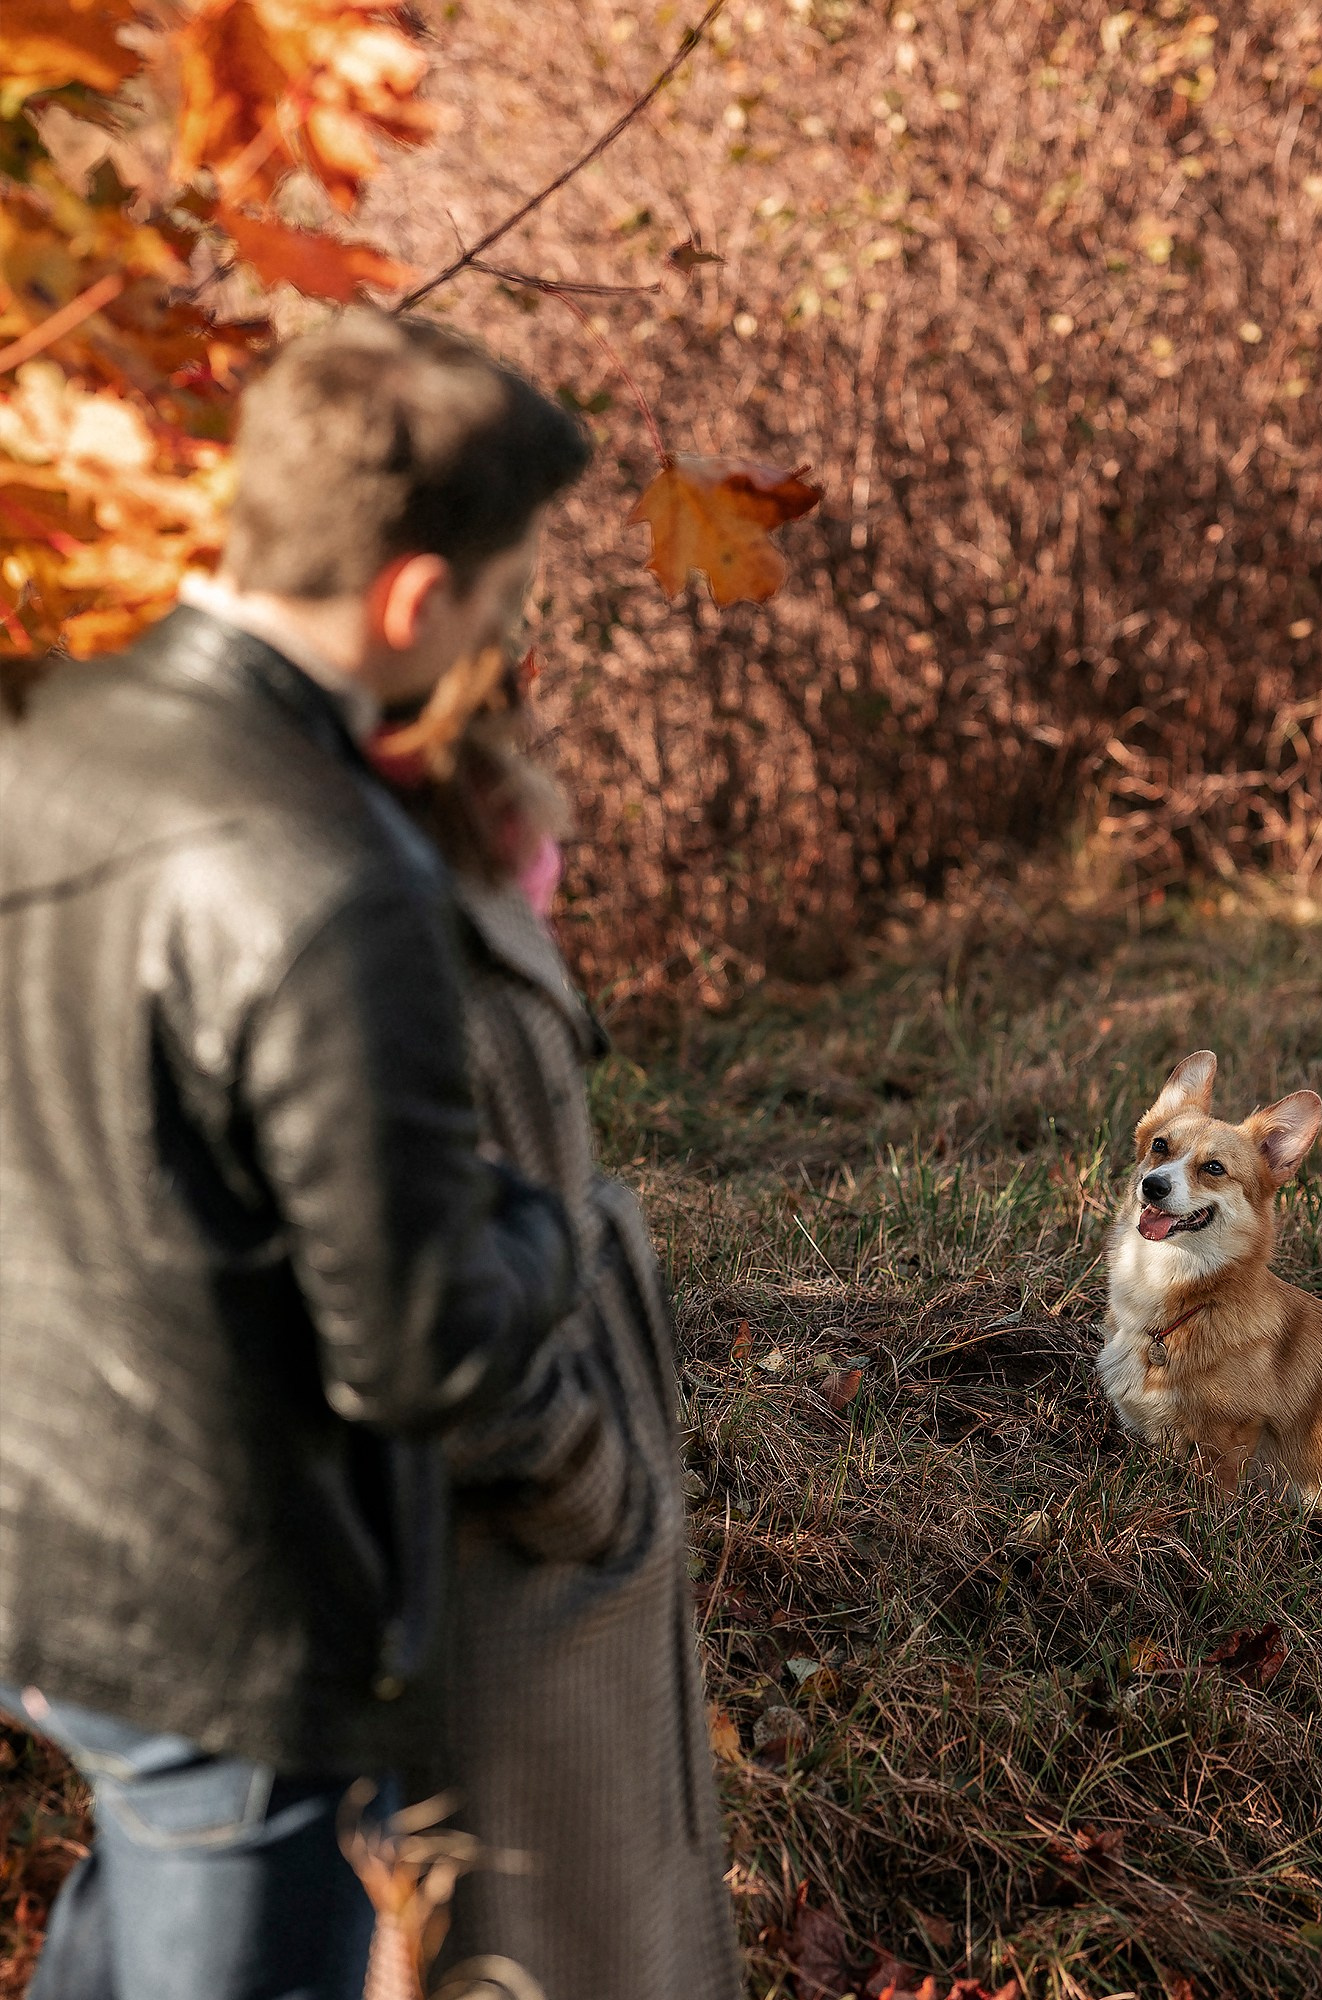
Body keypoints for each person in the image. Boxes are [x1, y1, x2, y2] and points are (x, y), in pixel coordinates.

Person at [0, 313, 591, 2000]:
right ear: (415, 601)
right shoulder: (331, 875)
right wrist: (545, 1229)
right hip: (231, 1613)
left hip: (39, 1538)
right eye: (496, 598)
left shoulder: (40, 730)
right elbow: (426, 1352)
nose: (494, 634)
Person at [386, 717, 742, 2000]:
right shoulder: (356, 882)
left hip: (571, 1547)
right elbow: (405, 1298)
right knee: (527, 1940)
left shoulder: (434, 792)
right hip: (505, 1562)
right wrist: (587, 1475)